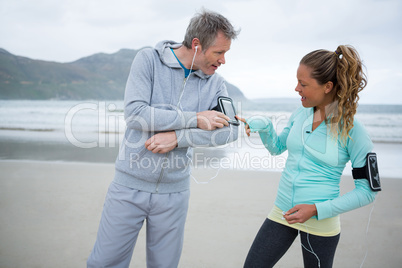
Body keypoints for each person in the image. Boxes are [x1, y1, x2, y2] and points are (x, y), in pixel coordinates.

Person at [87, 10, 240, 268]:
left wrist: (178, 137)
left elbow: (231, 130)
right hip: (129, 187)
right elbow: (136, 114)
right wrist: (194, 118)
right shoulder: (148, 60)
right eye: (218, 52)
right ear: (196, 45)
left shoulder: (216, 84)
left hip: (175, 193)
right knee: (104, 264)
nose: (223, 60)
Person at [237, 45, 378, 268]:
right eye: (297, 82)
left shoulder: (353, 130)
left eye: (303, 84)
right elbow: (277, 147)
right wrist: (263, 125)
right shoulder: (300, 113)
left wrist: (315, 209)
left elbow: (368, 192)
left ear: (327, 86)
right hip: (283, 212)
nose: (296, 88)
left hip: (320, 222)